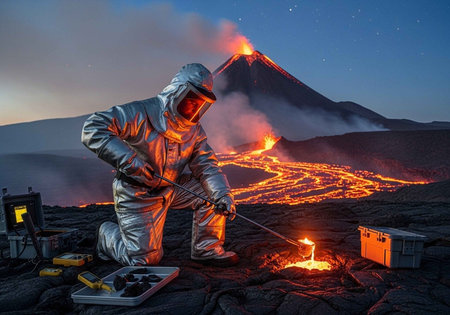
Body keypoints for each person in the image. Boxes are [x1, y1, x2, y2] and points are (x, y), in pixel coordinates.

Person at [81, 63, 238, 267]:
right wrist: (130, 161)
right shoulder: (140, 113)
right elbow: (93, 127)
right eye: (192, 101)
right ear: (178, 92)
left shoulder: (194, 131)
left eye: (200, 104)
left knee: (213, 196)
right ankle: (106, 236)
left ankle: (206, 248)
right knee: (144, 260)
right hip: (137, 192)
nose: (195, 108)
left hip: (171, 187)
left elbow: (206, 165)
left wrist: (223, 195)